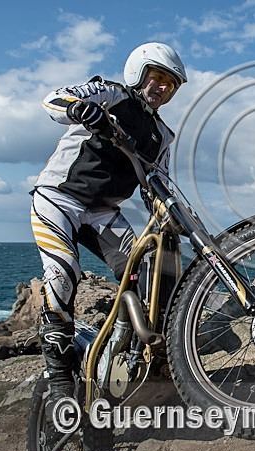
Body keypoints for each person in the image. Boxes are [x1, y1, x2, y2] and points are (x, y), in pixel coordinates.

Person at [30, 42, 188, 410]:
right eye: (157, 76)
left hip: (102, 212)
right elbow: (54, 100)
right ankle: (59, 381)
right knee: (63, 272)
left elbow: (158, 184)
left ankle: (138, 352)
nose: (162, 87)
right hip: (59, 197)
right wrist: (80, 108)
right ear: (138, 73)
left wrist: (172, 214)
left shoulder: (162, 136)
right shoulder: (111, 94)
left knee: (152, 266)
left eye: (170, 84)